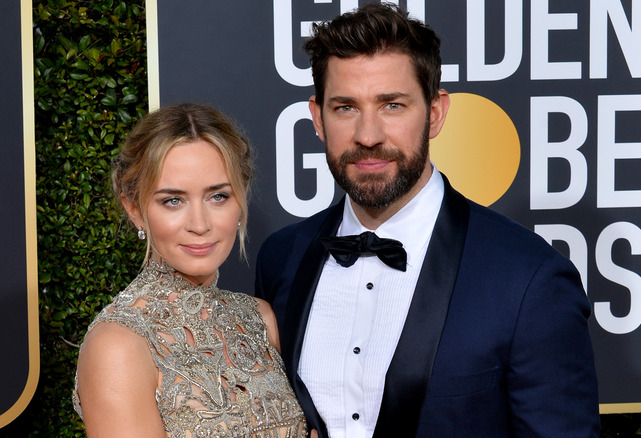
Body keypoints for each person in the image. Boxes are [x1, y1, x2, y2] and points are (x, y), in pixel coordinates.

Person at [255, 3, 600, 437]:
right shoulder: (282, 259)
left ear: (435, 113)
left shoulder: (529, 278)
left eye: (392, 105)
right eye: (345, 107)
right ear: (317, 118)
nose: (368, 135)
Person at [73, 103, 308, 437]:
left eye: (218, 197)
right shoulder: (118, 345)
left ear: (239, 200)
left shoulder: (259, 318)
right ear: (135, 209)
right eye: (173, 200)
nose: (200, 225)